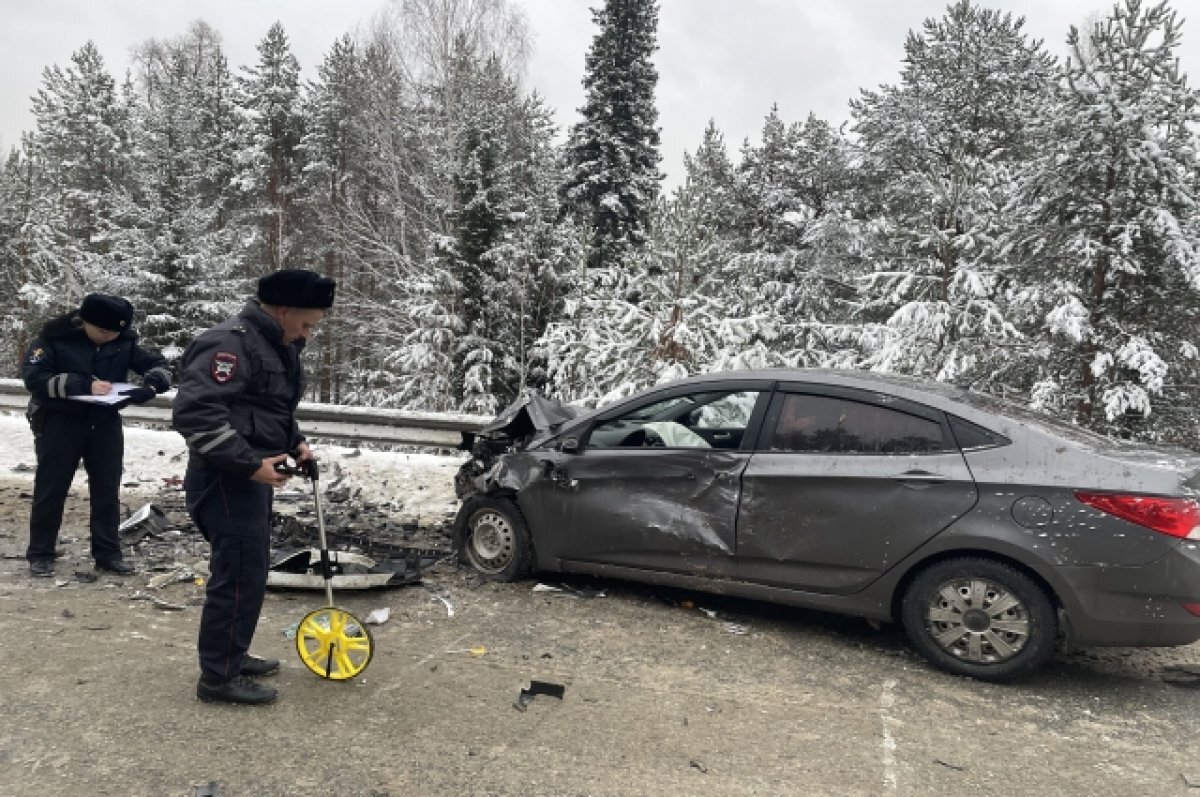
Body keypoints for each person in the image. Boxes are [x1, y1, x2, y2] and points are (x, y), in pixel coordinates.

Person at [172, 268, 336, 706]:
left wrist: (294, 441)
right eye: (306, 323)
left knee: (250, 571)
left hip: (251, 476)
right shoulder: (228, 344)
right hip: (225, 479)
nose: (309, 333)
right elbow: (195, 417)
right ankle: (218, 677)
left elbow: (267, 406)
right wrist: (249, 465)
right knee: (238, 574)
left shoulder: (277, 344)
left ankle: (232, 654)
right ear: (283, 310)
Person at [22, 293, 172, 578]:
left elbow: (158, 365)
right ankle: (41, 553)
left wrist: (151, 385)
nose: (109, 337)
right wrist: (82, 385)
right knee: (51, 489)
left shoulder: (122, 341)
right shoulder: (53, 338)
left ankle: (107, 553)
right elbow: (34, 379)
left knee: (106, 490)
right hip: (59, 421)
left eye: (115, 331)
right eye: (103, 331)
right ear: (85, 322)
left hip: (104, 421)